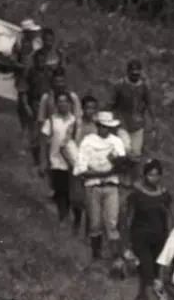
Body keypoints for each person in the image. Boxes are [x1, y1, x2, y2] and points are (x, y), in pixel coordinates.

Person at [122, 159, 173, 300]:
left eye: (157, 175)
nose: (154, 178)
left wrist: (170, 238)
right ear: (145, 175)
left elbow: (167, 217)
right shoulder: (136, 194)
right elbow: (127, 218)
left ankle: (140, 297)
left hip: (159, 239)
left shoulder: (164, 195)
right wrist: (126, 243)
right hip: (140, 238)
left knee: (152, 272)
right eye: (151, 174)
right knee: (147, 270)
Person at [73, 110, 127, 262]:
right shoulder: (88, 141)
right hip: (93, 186)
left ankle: (116, 257)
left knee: (112, 222)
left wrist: (115, 166)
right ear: (97, 126)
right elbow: (81, 169)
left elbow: (121, 165)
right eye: (103, 126)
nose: (105, 130)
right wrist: (103, 172)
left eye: (108, 127)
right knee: (95, 222)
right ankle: (96, 255)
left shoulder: (116, 142)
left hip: (111, 186)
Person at [110, 58, 155, 176]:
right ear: (128, 72)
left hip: (138, 124)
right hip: (123, 122)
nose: (135, 76)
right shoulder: (120, 85)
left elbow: (149, 103)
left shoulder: (144, 86)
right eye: (133, 73)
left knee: (135, 155)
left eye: (137, 73)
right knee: (124, 150)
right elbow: (112, 104)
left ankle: (130, 177)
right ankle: (120, 174)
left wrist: (153, 120)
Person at [40, 91, 77, 222]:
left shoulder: (75, 121)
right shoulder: (51, 121)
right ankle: (63, 217)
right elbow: (44, 142)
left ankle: (69, 218)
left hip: (71, 162)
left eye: (65, 101)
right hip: (56, 161)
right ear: (56, 104)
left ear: (70, 104)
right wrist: (43, 161)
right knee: (60, 191)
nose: (63, 104)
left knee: (70, 191)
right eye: (60, 102)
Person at [11, 19, 43, 156]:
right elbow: (13, 61)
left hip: (36, 82)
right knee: (24, 112)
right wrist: (22, 66)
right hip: (23, 81)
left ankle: (33, 144)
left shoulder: (37, 44)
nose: (33, 34)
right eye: (30, 32)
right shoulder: (19, 44)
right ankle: (24, 144)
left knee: (36, 114)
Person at [70, 94, 98, 236]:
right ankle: (76, 220)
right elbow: (70, 141)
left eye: (93, 108)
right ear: (83, 108)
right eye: (87, 108)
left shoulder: (97, 125)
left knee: (90, 200)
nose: (90, 111)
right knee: (76, 197)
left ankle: (88, 231)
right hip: (78, 162)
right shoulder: (77, 124)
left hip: (93, 165)